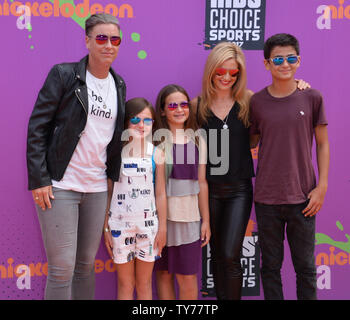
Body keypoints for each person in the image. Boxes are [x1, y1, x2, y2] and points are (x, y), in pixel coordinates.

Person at [192, 41, 311, 300]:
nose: (226, 77)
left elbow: (279, 103)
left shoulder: (249, 100)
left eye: (233, 73)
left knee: (231, 255)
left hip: (239, 190)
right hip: (207, 191)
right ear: (211, 70)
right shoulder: (197, 106)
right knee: (216, 254)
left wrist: (299, 86)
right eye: (220, 71)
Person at [26, 13, 126, 300]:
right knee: (61, 269)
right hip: (60, 185)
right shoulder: (64, 74)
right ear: (87, 41)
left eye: (115, 39)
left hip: (95, 189)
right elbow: (38, 128)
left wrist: (109, 181)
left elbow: (111, 139)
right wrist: (40, 179)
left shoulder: (119, 85)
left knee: (85, 266)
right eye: (102, 38)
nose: (109, 45)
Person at [250, 33, 329, 300]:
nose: (285, 64)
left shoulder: (312, 97)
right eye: (278, 59)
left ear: (299, 61)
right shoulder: (256, 102)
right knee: (270, 268)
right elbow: (252, 140)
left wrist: (322, 187)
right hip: (266, 198)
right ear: (266, 64)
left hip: (303, 198)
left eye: (291, 58)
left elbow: (322, 144)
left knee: (306, 268)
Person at [103, 98, 167, 300]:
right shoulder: (115, 155)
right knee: (125, 283)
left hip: (149, 228)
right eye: (135, 120)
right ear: (125, 123)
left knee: (144, 283)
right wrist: (106, 226)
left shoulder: (157, 154)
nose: (141, 125)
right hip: (119, 227)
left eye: (147, 121)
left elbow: (161, 193)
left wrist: (163, 227)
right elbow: (109, 191)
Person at [153, 84, 211, 300]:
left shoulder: (198, 141)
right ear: (162, 110)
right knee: (164, 274)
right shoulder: (156, 142)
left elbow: (202, 183)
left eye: (184, 104)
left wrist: (206, 220)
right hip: (161, 223)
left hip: (189, 220)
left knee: (187, 278)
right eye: (172, 105)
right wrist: (160, 225)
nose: (179, 110)